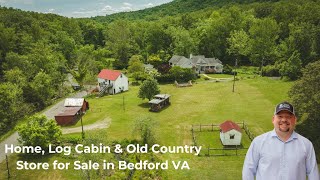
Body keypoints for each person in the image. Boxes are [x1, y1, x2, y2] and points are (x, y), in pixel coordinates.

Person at [242, 101, 319, 180]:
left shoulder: (306, 144)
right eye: (280, 116)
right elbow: (248, 170)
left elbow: (313, 173)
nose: (284, 120)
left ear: (295, 120)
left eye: (288, 116)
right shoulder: (258, 142)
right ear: (273, 119)